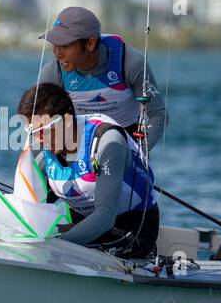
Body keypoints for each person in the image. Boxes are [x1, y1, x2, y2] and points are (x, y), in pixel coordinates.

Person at [17, 82, 159, 259]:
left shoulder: (108, 142)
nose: (38, 139)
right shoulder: (43, 148)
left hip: (131, 231)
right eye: (32, 131)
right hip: (83, 228)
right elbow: (27, 206)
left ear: (67, 121)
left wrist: (57, 246)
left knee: (47, 249)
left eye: (43, 130)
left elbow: (105, 217)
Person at [36, 6, 167, 148]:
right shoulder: (53, 71)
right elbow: (41, 121)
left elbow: (159, 114)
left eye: (65, 46)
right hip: (78, 142)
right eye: (55, 44)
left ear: (90, 43)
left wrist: (140, 152)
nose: (57, 53)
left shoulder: (130, 63)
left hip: (125, 141)